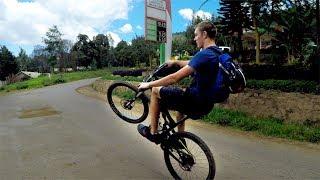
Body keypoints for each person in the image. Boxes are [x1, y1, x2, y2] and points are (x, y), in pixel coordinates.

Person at [137, 21, 229, 143]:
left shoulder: (204, 54)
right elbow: (192, 63)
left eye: (196, 35)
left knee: (155, 91)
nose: (194, 38)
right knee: (179, 108)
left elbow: (174, 78)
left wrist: (148, 84)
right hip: (207, 105)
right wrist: (175, 62)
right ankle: (180, 139)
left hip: (195, 102)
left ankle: (153, 133)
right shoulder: (218, 53)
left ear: (204, 34)